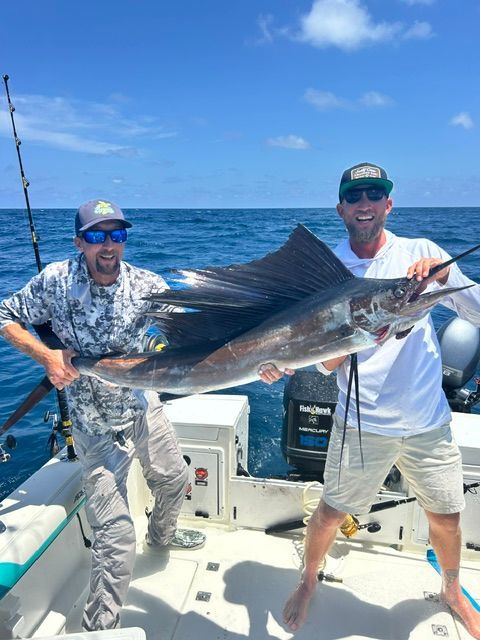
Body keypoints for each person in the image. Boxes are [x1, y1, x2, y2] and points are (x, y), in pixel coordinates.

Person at [259, 163, 480, 638]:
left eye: (374, 194)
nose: (365, 203)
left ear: (388, 204)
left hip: (427, 421)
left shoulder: (422, 254)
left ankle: (452, 588)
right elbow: (324, 364)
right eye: (354, 195)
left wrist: (437, 282)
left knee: (446, 517)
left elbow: (474, 309)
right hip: (361, 424)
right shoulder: (331, 271)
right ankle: (309, 579)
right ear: (341, 208)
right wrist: (345, 340)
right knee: (331, 513)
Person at [0, 199, 205, 631]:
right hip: (95, 430)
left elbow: (193, 334)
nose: (108, 245)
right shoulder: (56, 281)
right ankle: (99, 629)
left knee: (175, 479)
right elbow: (6, 316)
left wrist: (262, 354)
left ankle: (163, 537)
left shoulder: (146, 285)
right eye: (96, 235)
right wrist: (46, 355)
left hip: (142, 406)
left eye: (117, 234)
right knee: (115, 542)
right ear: (80, 242)